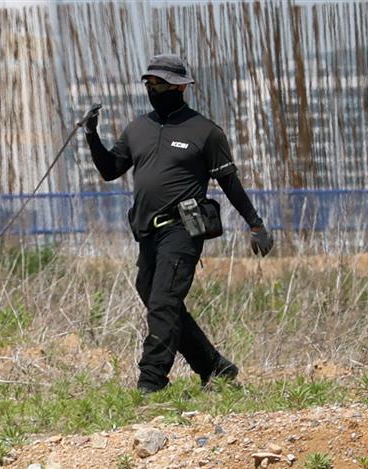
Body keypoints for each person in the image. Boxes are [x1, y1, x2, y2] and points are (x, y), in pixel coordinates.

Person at [81, 54, 273, 393]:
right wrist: (92, 136)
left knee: (163, 304)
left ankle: (151, 381)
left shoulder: (205, 132)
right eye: (150, 82)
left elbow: (231, 184)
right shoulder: (137, 128)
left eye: (162, 82)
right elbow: (110, 170)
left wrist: (255, 224)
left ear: (181, 86)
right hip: (146, 232)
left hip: (183, 229)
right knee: (159, 301)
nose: (155, 87)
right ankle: (216, 368)